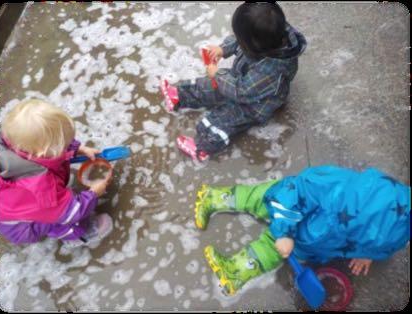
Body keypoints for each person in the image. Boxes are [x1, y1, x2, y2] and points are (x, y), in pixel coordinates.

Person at [194, 165, 410, 295]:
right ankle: (213, 197)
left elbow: (387, 245)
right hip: (293, 211)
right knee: (262, 198)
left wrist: (368, 254)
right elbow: (297, 190)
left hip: (316, 243)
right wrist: (285, 232)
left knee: (272, 247)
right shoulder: (341, 188)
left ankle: (234, 271)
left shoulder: (401, 231)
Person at [161, 2, 306, 160]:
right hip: (244, 78)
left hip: (255, 104)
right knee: (209, 86)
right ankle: (180, 96)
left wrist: (218, 74)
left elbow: (240, 91)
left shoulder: (270, 70)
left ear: (253, 46)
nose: (239, 40)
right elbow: (241, 38)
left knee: (223, 120)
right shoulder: (270, 34)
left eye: (242, 40)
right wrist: (223, 49)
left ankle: (202, 148)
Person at [0, 99, 113, 247]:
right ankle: (81, 235)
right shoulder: (40, 190)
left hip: (16, 206)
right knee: (59, 221)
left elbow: (52, 142)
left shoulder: (14, 142)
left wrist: (77, 148)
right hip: (24, 227)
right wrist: (93, 194)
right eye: (65, 144)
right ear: (43, 153)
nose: (68, 144)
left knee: (53, 204)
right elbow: (69, 212)